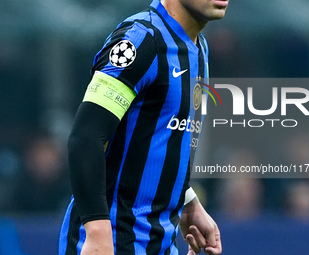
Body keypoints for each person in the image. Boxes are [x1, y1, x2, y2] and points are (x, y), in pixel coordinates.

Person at [59, 0, 229, 254]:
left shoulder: (199, 49)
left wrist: (188, 200)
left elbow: (153, 138)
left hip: (160, 243)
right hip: (112, 241)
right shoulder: (141, 40)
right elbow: (86, 137)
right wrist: (97, 232)